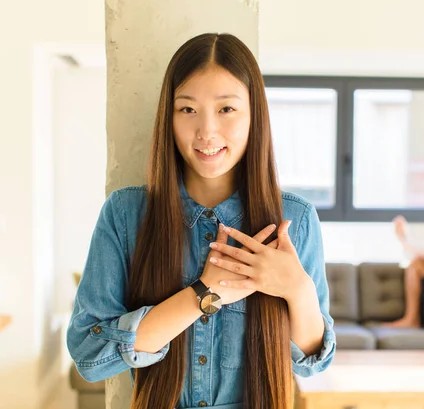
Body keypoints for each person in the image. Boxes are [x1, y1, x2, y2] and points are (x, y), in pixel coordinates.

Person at [66, 33, 335, 409]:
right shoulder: (127, 214)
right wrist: (205, 294)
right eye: (188, 109)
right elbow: (89, 353)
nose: (207, 132)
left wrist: (297, 290)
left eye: (226, 109)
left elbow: (313, 362)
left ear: (254, 114)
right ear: (169, 117)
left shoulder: (295, 218)